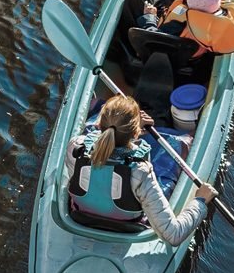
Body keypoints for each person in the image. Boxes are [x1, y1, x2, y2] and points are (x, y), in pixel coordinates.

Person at [65, 95, 218, 246]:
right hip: (128, 226)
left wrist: (132, 130)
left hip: (80, 216)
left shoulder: (75, 147)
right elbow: (173, 235)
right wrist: (200, 201)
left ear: (100, 125)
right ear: (135, 133)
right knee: (181, 144)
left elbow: (102, 144)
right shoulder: (140, 171)